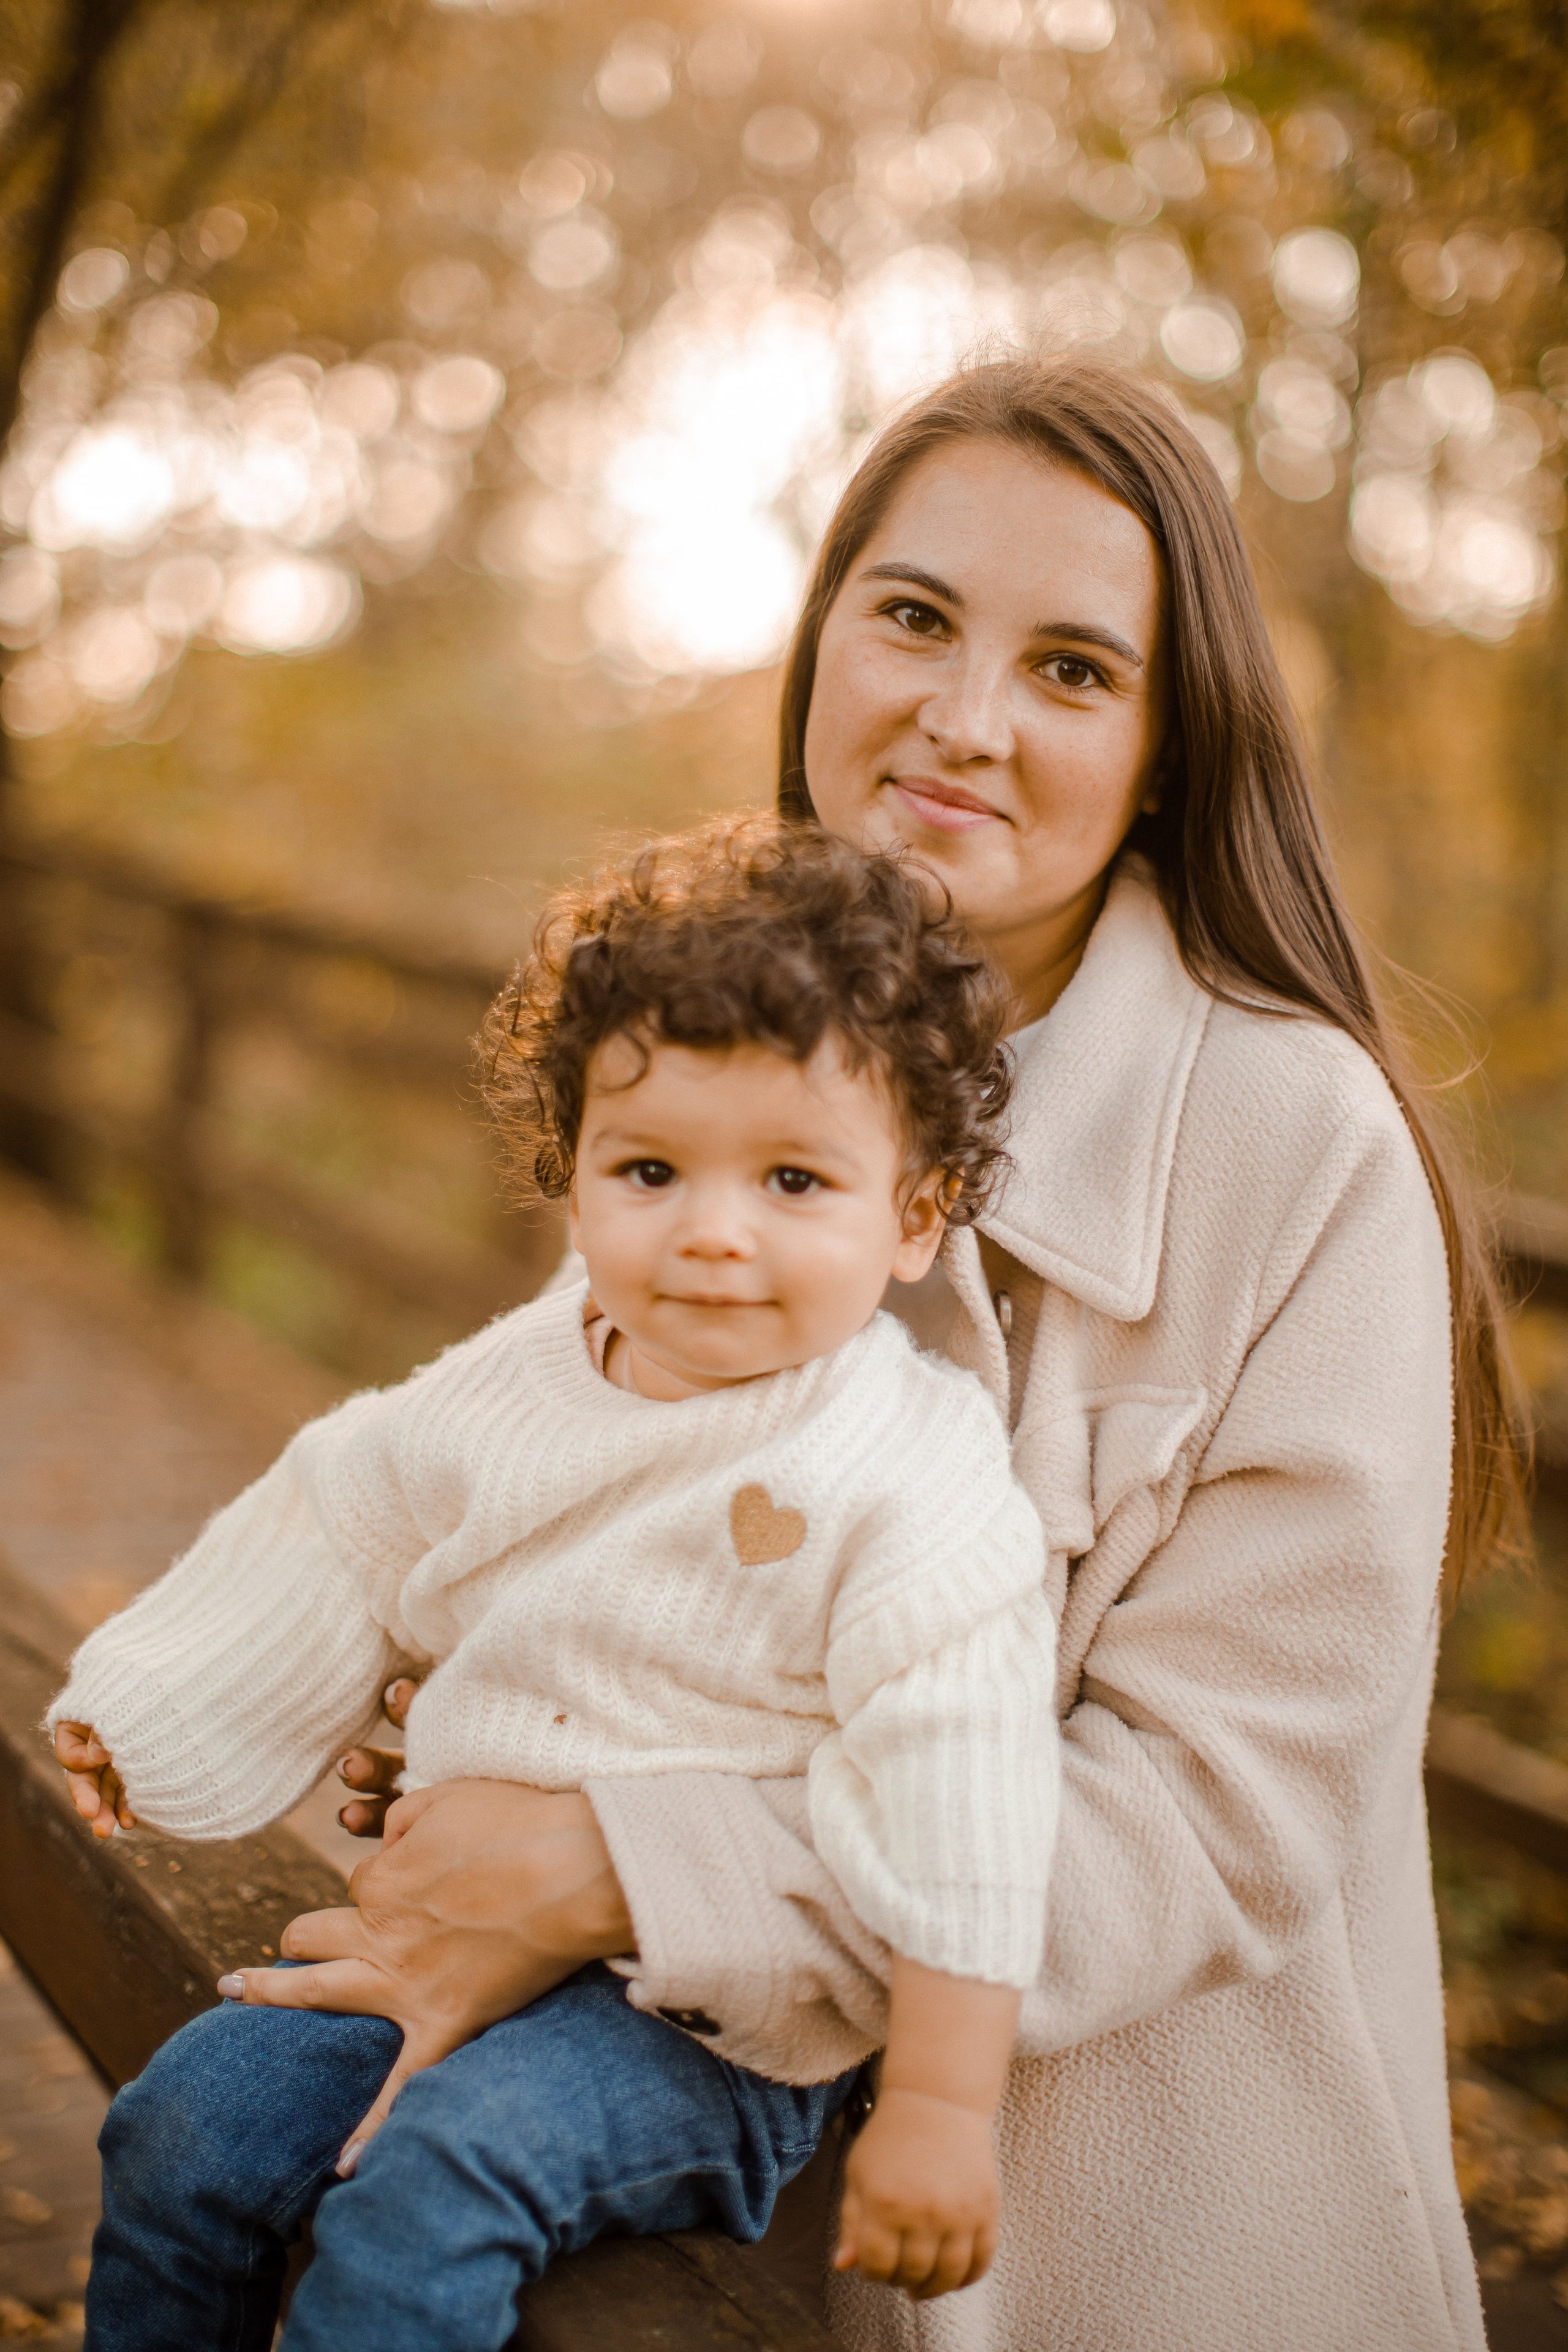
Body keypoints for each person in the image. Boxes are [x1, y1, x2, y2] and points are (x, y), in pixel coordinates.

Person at [101, 355, 1523, 2351]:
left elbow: (1217, 1818)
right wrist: (479, 1688)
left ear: (1169, 752)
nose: (963, 720)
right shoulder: (728, 1031)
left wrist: (625, 1865)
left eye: (1074, 670)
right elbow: (568, 1489)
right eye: (918, 618)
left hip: (1123, 2247)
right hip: (664, 2139)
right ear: (824, 634)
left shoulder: (1300, 1149)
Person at [51, 818, 1063, 2351]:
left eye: (795, 1179)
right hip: (442, 1937)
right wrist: (158, 1700)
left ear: (913, 1215)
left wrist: (935, 2100)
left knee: (425, 2192)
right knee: (184, 2129)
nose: (713, 1233)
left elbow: (965, 1781)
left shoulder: (906, 1473)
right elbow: (355, 1504)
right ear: (573, 1172)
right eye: (649, 1168)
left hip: (705, 2022)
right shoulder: (532, 1375)